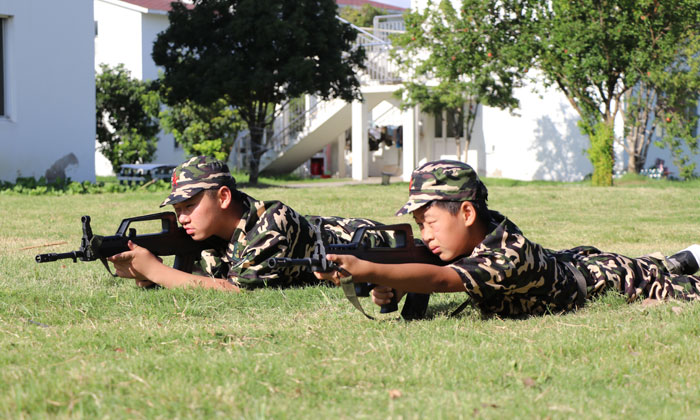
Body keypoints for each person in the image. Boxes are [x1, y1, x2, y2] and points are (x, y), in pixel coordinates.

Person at [315, 160, 700, 317]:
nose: (425, 235)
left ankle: (678, 262)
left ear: (466, 214)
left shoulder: (506, 252)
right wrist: (392, 286)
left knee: (669, 285)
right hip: (571, 261)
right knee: (659, 265)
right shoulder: (473, 233)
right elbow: (431, 269)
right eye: (419, 226)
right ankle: (677, 258)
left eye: (430, 222)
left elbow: (441, 280)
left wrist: (368, 268)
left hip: (604, 279)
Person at [108, 156, 390, 292]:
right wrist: (149, 276)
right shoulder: (211, 236)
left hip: (370, 240)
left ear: (223, 197)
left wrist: (156, 271)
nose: (182, 218)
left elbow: (235, 291)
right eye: (178, 209)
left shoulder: (270, 222)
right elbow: (202, 279)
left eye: (190, 206)